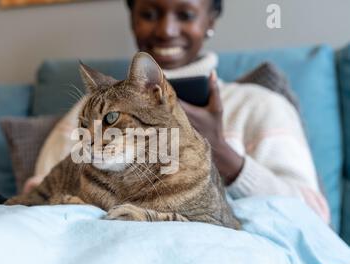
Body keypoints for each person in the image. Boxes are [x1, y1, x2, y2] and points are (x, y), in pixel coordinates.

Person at [25, 0, 330, 223]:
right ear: (132, 20)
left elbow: (312, 217)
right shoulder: (90, 107)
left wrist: (221, 151)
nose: (166, 30)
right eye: (149, 14)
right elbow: (37, 196)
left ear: (210, 20)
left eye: (184, 14)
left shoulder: (259, 104)